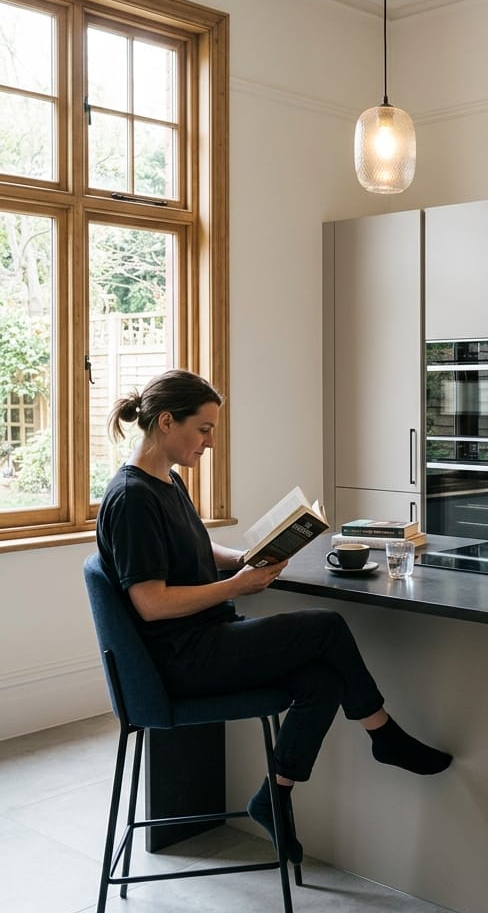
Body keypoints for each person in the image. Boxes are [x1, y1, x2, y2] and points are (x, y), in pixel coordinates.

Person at [95, 369, 451, 863]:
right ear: (165, 421)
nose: (211, 442)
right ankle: (383, 733)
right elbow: (150, 603)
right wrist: (237, 586)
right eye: (203, 429)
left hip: (206, 639)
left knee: (322, 682)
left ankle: (274, 795)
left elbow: (193, 547)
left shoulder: (165, 481)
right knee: (325, 626)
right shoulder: (132, 497)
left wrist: (244, 557)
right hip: (181, 658)